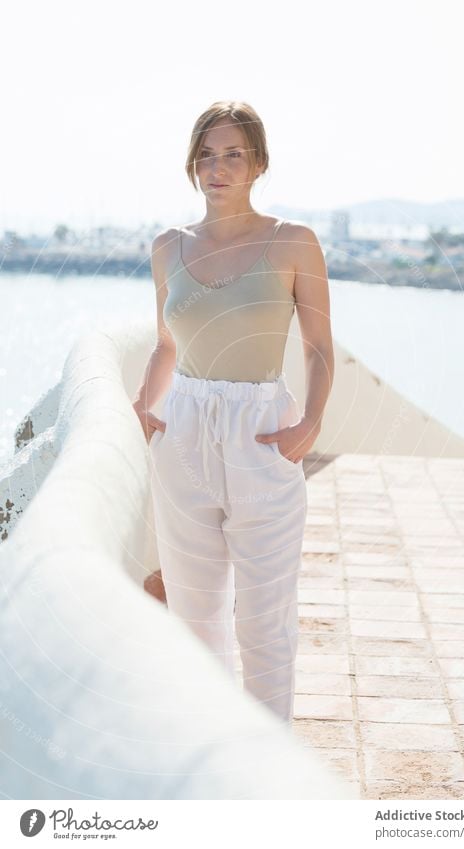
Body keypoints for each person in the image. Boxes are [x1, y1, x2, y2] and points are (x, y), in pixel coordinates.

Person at [133, 100, 334, 726]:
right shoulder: (169, 247)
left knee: (265, 613)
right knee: (193, 613)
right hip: (184, 430)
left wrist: (311, 423)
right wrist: (143, 404)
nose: (217, 168)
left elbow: (319, 346)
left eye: (233, 154)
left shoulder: (293, 242)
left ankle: (266, 767)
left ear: (259, 164)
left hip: (260, 430)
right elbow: (169, 343)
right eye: (207, 154)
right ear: (192, 163)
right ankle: (209, 753)